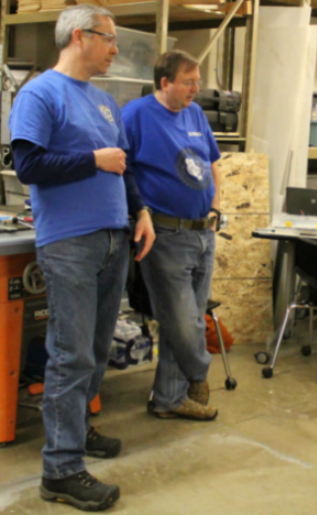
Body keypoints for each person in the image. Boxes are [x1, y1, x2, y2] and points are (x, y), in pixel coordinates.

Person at [8, 4, 155, 512]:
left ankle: (77, 431)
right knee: (70, 356)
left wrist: (140, 212)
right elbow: (28, 165)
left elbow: (123, 164)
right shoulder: (39, 94)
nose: (117, 49)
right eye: (110, 39)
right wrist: (93, 160)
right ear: (78, 36)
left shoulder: (104, 102)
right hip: (69, 242)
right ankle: (61, 469)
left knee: (93, 350)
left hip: (113, 237)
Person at [121, 50, 222, 421]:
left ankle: (169, 399)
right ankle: (198, 372)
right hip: (164, 234)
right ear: (165, 83)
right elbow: (123, 170)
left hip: (202, 233)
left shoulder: (194, 113)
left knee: (191, 319)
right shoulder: (136, 115)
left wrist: (215, 207)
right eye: (188, 81)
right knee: (183, 322)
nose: (196, 88)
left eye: (198, 80)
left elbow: (212, 161)